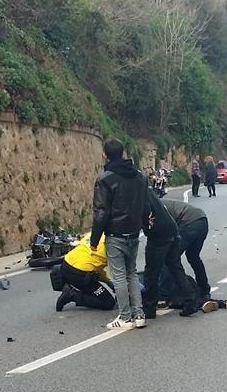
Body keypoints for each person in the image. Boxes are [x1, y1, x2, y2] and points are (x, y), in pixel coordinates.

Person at [90, 139, 149, 330]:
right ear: (123, 152)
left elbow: (101, 212)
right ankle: (139, 315)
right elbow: (144, 205)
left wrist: (94, 239)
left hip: (115, 234)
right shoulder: (139, 177)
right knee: (132, 273)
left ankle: (125, 317)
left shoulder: (105, 179)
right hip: (134, 233)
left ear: (105, 154)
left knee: (120, 276)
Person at [141, 188, 199, 318]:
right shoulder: (148, 191)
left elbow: (141, 216)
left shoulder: (134, 193)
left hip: (158, 234)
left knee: (151, 271)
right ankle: (191, 300)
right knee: (175, 267)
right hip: (173, 230)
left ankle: (149, 308)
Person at [162, 197, 211, 299]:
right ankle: (205, 290)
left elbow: (164, 230)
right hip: (202, 219)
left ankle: (175, 293)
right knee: (193, 257)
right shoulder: (160, 202)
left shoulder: (154, 207)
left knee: (170, 259)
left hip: (188, 223)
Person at [54, 232, 116, 312]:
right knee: (108, 302)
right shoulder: (112, 245)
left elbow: (93, 261)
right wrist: (108, 281)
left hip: (66, 264)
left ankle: (80, 293)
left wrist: (107, 281)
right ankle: (71, 295)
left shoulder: (96, 233)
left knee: (92, 283)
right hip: (79, 274)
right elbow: (102, 269)